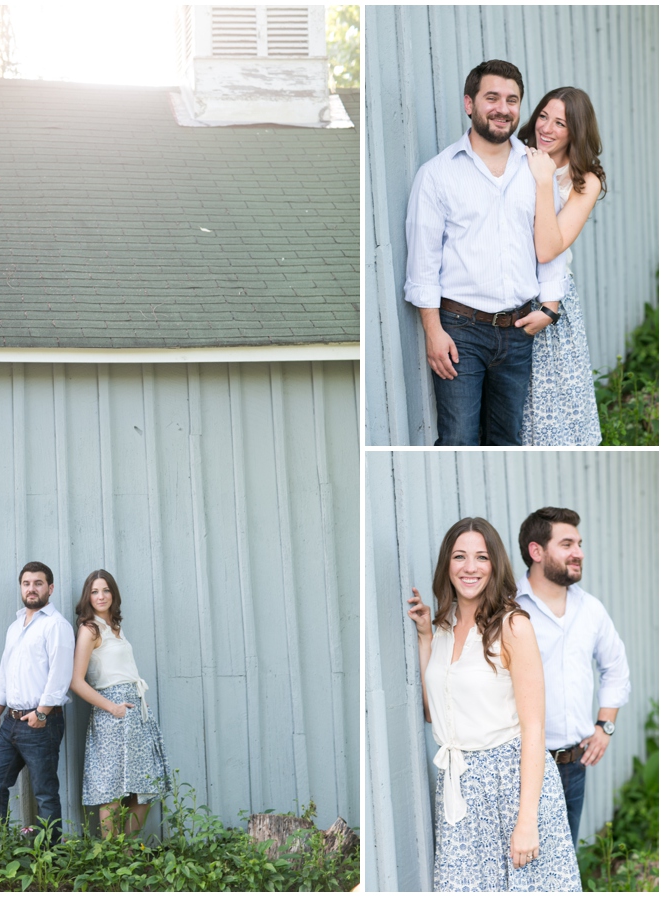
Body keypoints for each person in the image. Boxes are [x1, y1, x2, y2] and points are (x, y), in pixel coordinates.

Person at [406, 517, 580, 891]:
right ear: (447, 565)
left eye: (481, 557)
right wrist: (424, 638)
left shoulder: (513, 626)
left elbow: (534, 728)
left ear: (495, 565)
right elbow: (432, 712)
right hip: (460, 787)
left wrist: (527, 821)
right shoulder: (442, 627)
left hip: (512, 784)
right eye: (459, 556)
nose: (470, 567)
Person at [404, 60, 568, 446]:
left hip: (518, 330)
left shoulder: (537, 169)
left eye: (512, 100)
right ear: (469, 103)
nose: (503, 108)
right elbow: (422, 262)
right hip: (460, 331)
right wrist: (433, 331)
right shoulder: (437, 174)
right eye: (491, 97)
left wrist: (550, 307)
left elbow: (551, 245)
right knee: (458, 436)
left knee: (507, 439)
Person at [516, 507, 630, 845]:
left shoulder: (591, 609)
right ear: (537, 551)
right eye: (567, 544)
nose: (578, 553)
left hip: (571, 767)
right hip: (519, 764)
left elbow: (616, 668)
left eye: (579, 544)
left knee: (564, 866)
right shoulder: (510, 608)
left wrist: (604, 726)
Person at [517, 88, 606, 444]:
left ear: (576, 131)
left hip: (551, 303)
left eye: (560, 123)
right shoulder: (515, 157)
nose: (547, 129)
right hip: (509, 292)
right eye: (543, 117)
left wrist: (543, 179)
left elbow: (549, 248)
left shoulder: (585, 180)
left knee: (555, 400)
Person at [70, 569, 171, 836]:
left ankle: (125, 853)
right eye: (94, 591)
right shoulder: (89, 629)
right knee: (112, 786)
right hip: (111, 712)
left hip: (135, 710)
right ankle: (111, 857)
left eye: (105, 590)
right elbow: (76, 681)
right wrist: (112, 707)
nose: (100, 596)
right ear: (87, 597)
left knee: (145, 787)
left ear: (113, 594)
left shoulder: (115, 627)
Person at [0, 561, 75, 840]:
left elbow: (60, 676)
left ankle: (50, 857)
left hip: (41, 722)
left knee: (44, 793)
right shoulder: (15, 627)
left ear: (50, 588)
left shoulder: (57, 626)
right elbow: (5, 672)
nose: (32, 589)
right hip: (10, 722)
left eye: (38, 583)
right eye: (26, 583)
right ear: (21, 587)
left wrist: (42, 713)